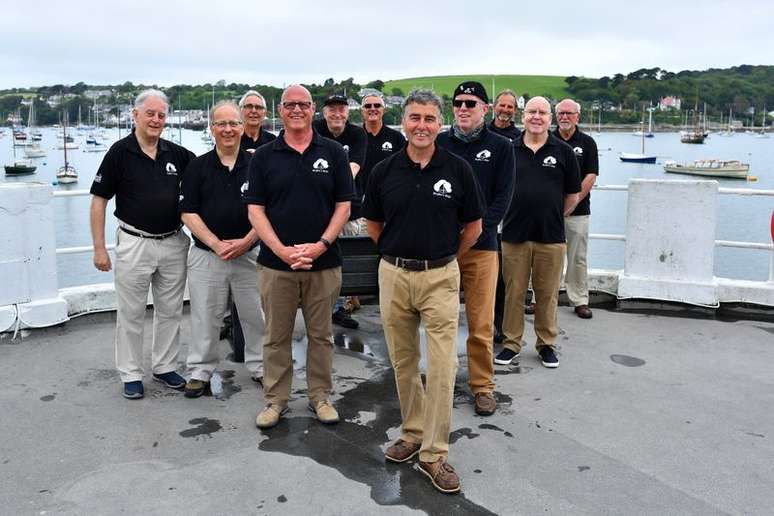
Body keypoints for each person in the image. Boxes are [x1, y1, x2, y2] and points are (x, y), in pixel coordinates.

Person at [363, 89, 484, 494]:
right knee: (402, 360)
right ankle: (412, 432)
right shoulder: (383, 171)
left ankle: (434, 453)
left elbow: (473, 228)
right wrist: (397, 256)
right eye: (414, 117)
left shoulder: (459, 169)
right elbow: (374, 224)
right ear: (404, 121)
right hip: (394, 274)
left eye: (430, 119)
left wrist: (445, 257)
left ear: (440, 123)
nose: (421, 125)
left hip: (440, 277)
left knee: (444, 365)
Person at [244, 84, 354, 429]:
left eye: (302, 104)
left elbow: (344, 205)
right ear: (280, 110)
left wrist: (321, 244)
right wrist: (280, 250)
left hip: (324, 262)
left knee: (321, 335)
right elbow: (255, 210)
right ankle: (276, 400)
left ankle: (320, 396)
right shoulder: (264, 155)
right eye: (289, 104)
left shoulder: (334, 152)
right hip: (277, 265)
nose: (296, 110)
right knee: (276, 336)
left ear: (312, 110)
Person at [89, 89, 195, 399]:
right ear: (135, 115)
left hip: (174, 241)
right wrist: (99, 248)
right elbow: (99, 202)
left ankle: (164, 366)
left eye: (161, 115)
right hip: (135, 242)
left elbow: (208, 173)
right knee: (131, 313)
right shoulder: (119, 153)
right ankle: (131, 373)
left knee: (171, 310)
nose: (156, 120)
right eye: (150, 113)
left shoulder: (177, 154)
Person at [436, 81, 514, 416]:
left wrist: (475, 228)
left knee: (481, 323)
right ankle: (442, 379)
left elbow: (503, 197)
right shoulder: (439, 142)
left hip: (481, 248)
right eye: (458, 103)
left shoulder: (500, 147)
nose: (463, 108)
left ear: (486, 108)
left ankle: (482, 386)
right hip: (441, 248)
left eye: (471, 103)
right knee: (441, 320)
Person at [179, 100, 265, 398]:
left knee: (255, 314)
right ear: (211, 128)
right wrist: (215, 243)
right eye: (221, 124)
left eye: (233, 123)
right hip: (206, 254)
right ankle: (200, 371)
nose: (228, 129)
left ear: (243, 127)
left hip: (250, 253)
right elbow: (188, 211)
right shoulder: (197, 166)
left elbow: (269, 211)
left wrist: (247, 241)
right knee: (205, 314)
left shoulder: (258, 164)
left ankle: (261, 366)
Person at [495, 96, 581, 369]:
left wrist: (553, 214)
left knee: (547, 294)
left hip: (551, 235)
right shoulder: (509, 149)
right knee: (514, 293)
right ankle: (511, 344)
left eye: (542, 112)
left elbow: (572, 195)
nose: (536, 116)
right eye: (531, 111)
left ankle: (546, 344)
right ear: (523, 116)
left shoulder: (564, 151)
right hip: (514, 234)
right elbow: (498, 190)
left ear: (550, 119)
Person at [312, 94, 368, 330]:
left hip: (350, 208)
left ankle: (341, 307)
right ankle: (326, 309)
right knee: (325, 264)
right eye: (331, 110)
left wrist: (327, 181)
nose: (337, 114)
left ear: (348, 113)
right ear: (324, 113)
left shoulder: (357, 135)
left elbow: (353, 169)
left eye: (341, 109)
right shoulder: (314, 129)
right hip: (319, 210)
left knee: (345, 263)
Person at [554, 98, 599, 319]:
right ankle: (540, 298)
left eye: (569, 113)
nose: (564, 117)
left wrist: (572, 202)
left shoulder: (588, 143)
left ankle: (579, 300)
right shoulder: (546, 139)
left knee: (578, 257)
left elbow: (591, 175)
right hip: (548, 211)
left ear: (577, 117)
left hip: (579, 211)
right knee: (545, 257)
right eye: (561, 113)